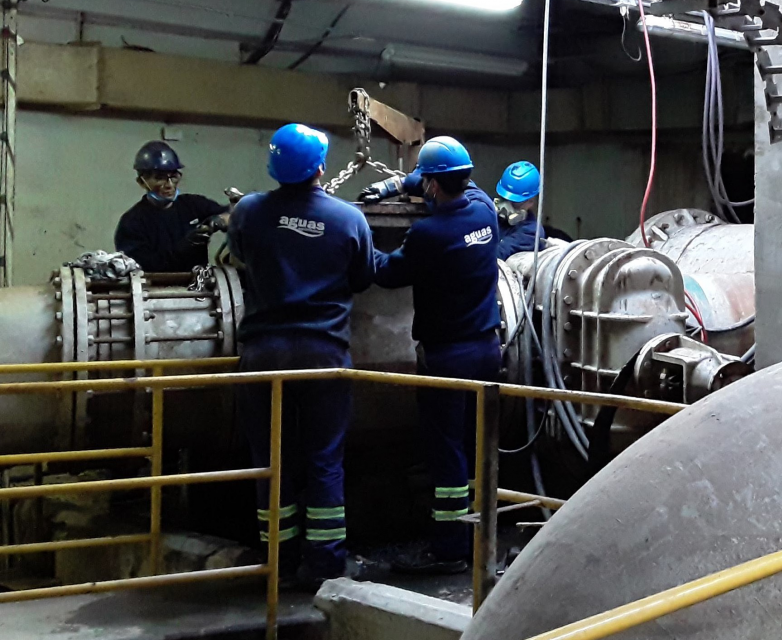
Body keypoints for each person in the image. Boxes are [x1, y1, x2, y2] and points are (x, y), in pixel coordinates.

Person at [228, 124, 380, 589]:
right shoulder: (348, 218)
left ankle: (278, 559)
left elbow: (238, 257)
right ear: (321, 167)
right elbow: (364, 276)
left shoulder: (248, 211)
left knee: (271, 458)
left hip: (263, 354)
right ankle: (325, 564)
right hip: (323, 354)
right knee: (324, 459)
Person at [370, 136, 502, 574]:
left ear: (430, 185)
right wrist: (399, 184)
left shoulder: (428, 234)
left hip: (447, 359)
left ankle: (449, 548)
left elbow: (387, 273)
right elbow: (456, 182)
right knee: (476, 446)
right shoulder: (484, 210)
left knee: (447, 452)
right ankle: (481, 536)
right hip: (487, 351)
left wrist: (355, 237)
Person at [114, 141, 229, 272]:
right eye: (160, 178)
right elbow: (141, 267)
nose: (169, 185)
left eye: (173, 177)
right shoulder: (132, 222)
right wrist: (184, 247)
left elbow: (234, 215)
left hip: (200, 282)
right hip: (157, 284)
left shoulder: (194, 204)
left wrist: (220, 220)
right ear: (142, 182)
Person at [494, 161, 546, 259]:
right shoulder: (494, 217)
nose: (505, 205)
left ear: (530, 202)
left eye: (513, 201)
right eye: (503, 198)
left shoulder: (532, 233)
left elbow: (497, 254)